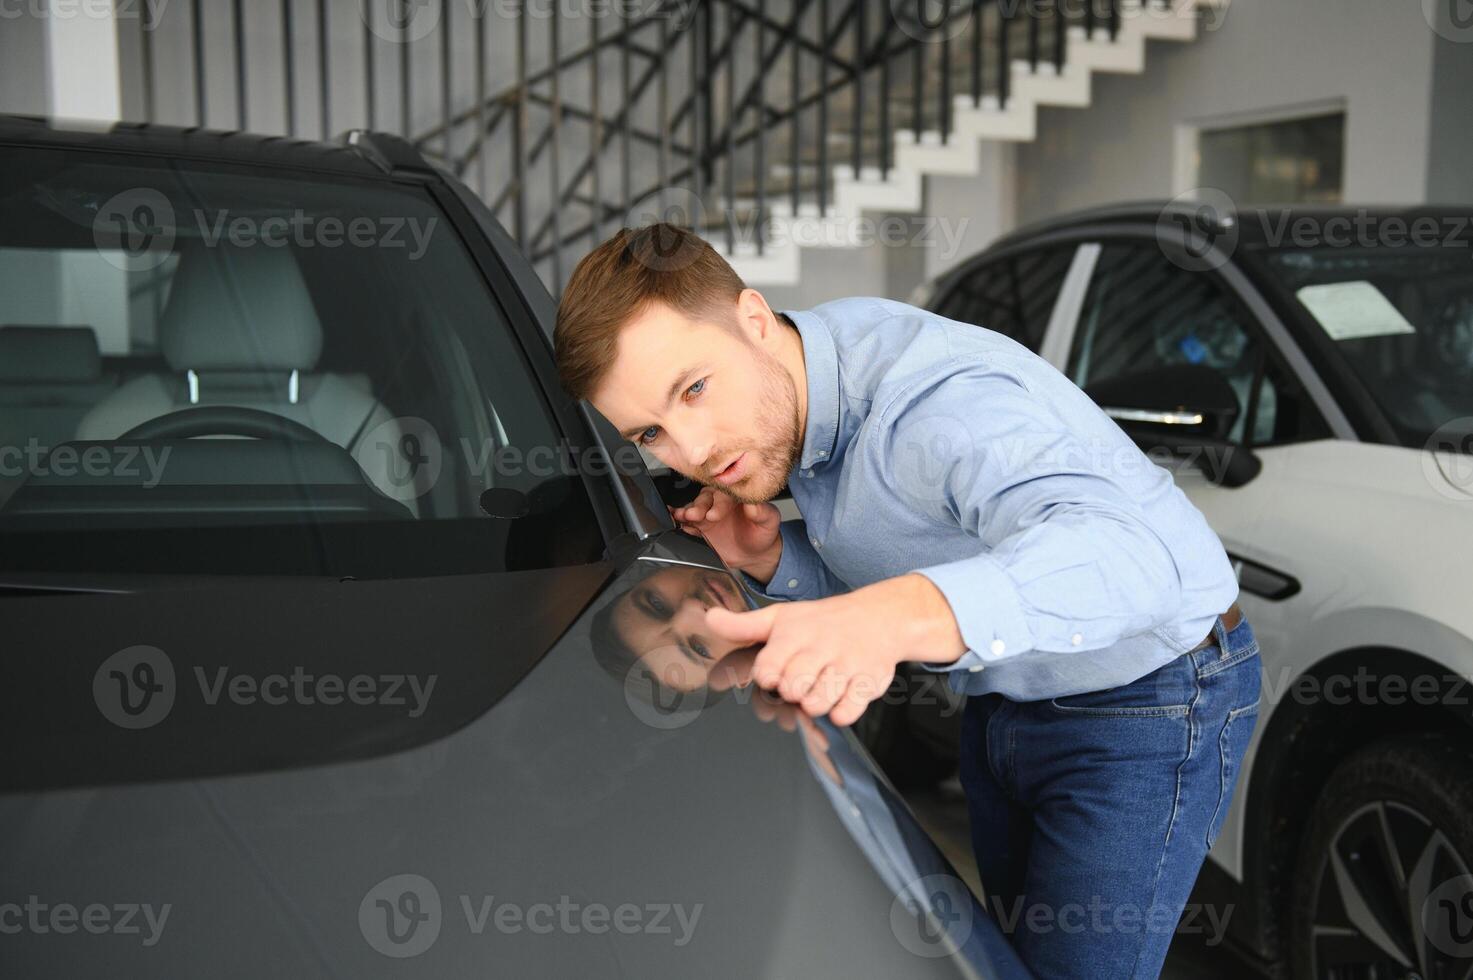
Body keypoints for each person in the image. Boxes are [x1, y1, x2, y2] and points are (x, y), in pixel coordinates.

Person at [554, 223, 1262, 979]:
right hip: (1006, 699)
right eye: (652, 431)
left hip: (1148, 699)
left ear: (753, 320)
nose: (690, 452)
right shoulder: (806, 387)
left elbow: (1130, 559)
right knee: (1002, 965)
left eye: (694, 389)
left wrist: (887, 620)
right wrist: (773, 557)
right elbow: (916, 561)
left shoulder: (939, 406)